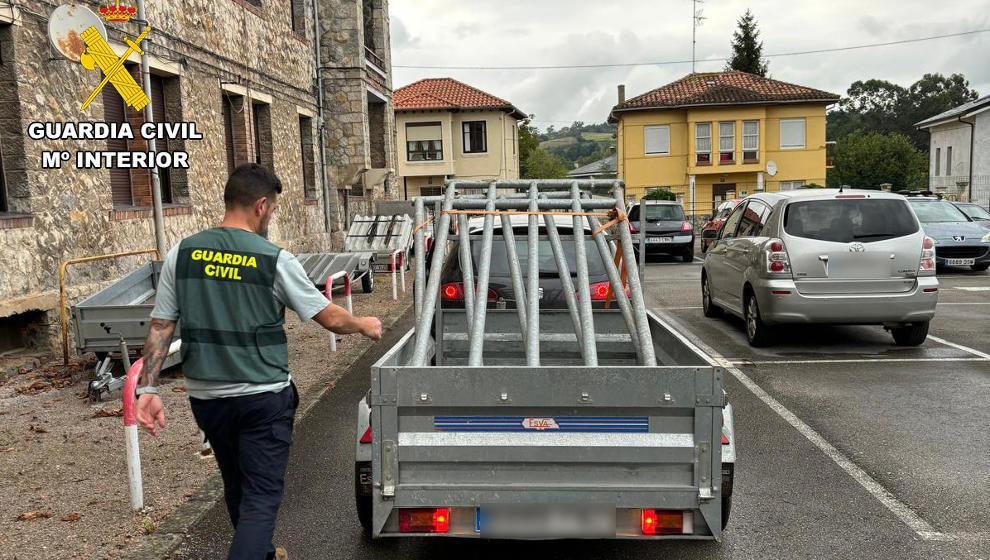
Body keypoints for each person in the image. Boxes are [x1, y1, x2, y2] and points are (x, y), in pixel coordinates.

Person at [134, 163, 382, 560]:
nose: (272, 217)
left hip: (208, 400)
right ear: (261, 206)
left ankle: (261, 553)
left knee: (237, 486)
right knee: (262, 499)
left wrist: (147, 388)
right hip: (262, 398)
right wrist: (364, 323)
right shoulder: (273, 259)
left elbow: (162, 325)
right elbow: (328, 316)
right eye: (275, 210)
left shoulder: (181, 253)